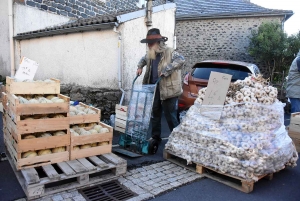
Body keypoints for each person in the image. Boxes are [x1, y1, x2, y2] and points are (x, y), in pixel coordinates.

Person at [136, 28, 185, 144]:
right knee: (155, 114)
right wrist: (139, 67)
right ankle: (155, 137)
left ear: (159, 42)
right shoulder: (151, 53)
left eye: (151, 43)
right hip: (154, 88)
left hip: (169, 89)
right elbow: (143, 59)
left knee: (170, 116)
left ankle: (178, 140)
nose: (149, 46)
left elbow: (181, 60)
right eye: (148, 43)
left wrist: (167, 69)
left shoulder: (170, 51)